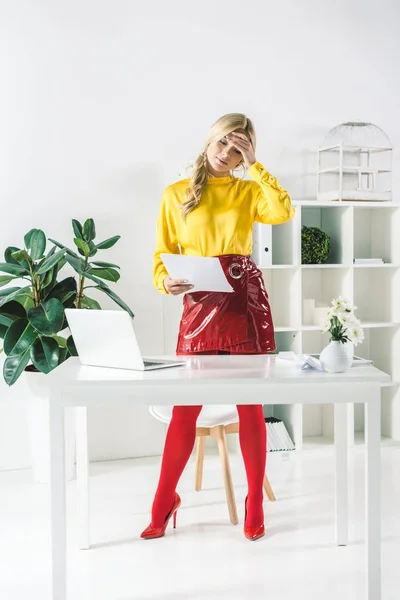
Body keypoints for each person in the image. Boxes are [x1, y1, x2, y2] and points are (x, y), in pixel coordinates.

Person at [141, 113, 294, 541]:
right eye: (223, 143)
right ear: (210, 139)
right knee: (184, 410)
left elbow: (282, 211)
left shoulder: (248, 191)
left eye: (238, 148)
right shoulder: (176, 194)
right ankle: (163, 499)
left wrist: (257, 164)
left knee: (251, 407)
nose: (227, 155)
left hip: (244, 301)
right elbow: (162, 252)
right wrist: (164, 281)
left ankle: (255, 502)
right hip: (199, 302)